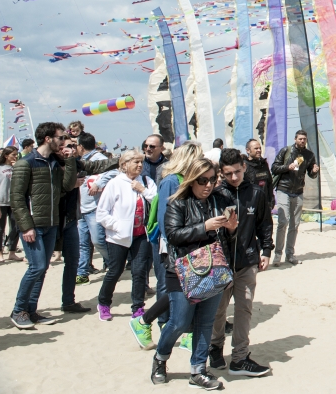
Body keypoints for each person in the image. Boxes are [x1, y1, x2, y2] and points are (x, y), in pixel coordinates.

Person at [10, 122, 114, 329]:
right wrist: (26, 227)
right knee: (37, 266)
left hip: (52, 223)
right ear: (48, 138)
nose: (64, 142)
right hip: (34, 225)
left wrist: (69, 161)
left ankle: (31, 310)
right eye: (60, 137)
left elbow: (67, 186)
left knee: (43, 268)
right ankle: (18, 310)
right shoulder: (27, 163)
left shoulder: (54, 162)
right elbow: (17, 198)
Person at [150, 158, 236, 389]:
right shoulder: (178, 202)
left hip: (213, 269)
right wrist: (205, 227)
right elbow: (174, 235)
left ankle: (199, 370)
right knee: (178, 322)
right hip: (182, 270)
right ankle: (160, 358)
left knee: (205, 322)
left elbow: (228, 237)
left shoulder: (220, 200)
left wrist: (231, 228)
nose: (208, 185)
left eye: (212, 180)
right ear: (191, 179)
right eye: (202, 180)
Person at [130, 141, 205, 351]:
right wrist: (176, 241)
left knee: (188, 286)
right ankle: (150, 321)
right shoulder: (172, 181)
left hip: (189, 241)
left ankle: (173, 327)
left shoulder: (187, 180)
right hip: (174, 243)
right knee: (177, 287)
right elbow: (165, 217)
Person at [208, 148, 273, 377]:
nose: (234, 177)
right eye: (228, 174)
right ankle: (215, 347)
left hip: (247, 261)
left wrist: (266, 250)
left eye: (237, 172)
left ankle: (240, 358)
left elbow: (264, 223)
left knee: (244, 309)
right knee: (218, 310)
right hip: (221, 263)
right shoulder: (215, 194)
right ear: (221, 173)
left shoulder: (256, 193)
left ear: (244, 167)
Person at [96, 149, 158, 321]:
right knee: (115, 270)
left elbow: (156, 201)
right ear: (124, 165)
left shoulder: (146, 181)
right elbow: (101, 213)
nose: (139, 165)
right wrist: (118, 226)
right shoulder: (115, 184)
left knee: (139, 272)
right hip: (118, 237)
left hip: (141, 235)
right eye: (135, 162)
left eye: (141, 162)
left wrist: (143, 190)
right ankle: (104, 302)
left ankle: (138, 307)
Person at [270, 130, 319, 265]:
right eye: (300, 139)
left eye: (304, 139)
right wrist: (288, 167)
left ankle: (290, 254)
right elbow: (274, 168)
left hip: (298, 191)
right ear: (295, 139)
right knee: (283, 221)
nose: (302, 141)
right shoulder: (286, 151)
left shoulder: (309, 155)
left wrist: (314, 172)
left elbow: (310, 173)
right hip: (283, 189)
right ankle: (278, 254)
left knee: (295, 225)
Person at [57, 135, 94, 313]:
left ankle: (68, 301)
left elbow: (95, 166)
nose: (71, 149)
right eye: (66, 146)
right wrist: (72, 184)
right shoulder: (51, 164)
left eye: (73, 146)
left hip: (71, 219)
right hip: (52, 221)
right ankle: (26, 308)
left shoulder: (77, 164)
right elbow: (62, 186)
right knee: (39, 267)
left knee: (73, 261)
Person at [76, 132, 110, 284]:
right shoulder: (80, 160)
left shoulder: (99, 159)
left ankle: (114, 261)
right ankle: (82, 273)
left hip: (95, 206)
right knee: (82, 243)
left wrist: (99, 183)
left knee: (98, 241)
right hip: (81, 208)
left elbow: (114, 171)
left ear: (81, 146)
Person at [0, 146, 22, 263]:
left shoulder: (17, 167)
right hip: (0, 202)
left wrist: (17, 168)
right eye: (13, 155)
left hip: (14, 202)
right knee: (0, 228)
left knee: (16, 227)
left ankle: (12, 252)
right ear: (6, 155)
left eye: (16, 155)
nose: (15, 157)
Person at [243, 139, 272, 209]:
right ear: (248, 150)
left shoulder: (264, 164)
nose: (259, 150)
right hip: (250, 204)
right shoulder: (244, 165)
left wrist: (271, 200)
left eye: (260, 148)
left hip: (264, 204)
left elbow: (269, 183)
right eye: (256, 148)